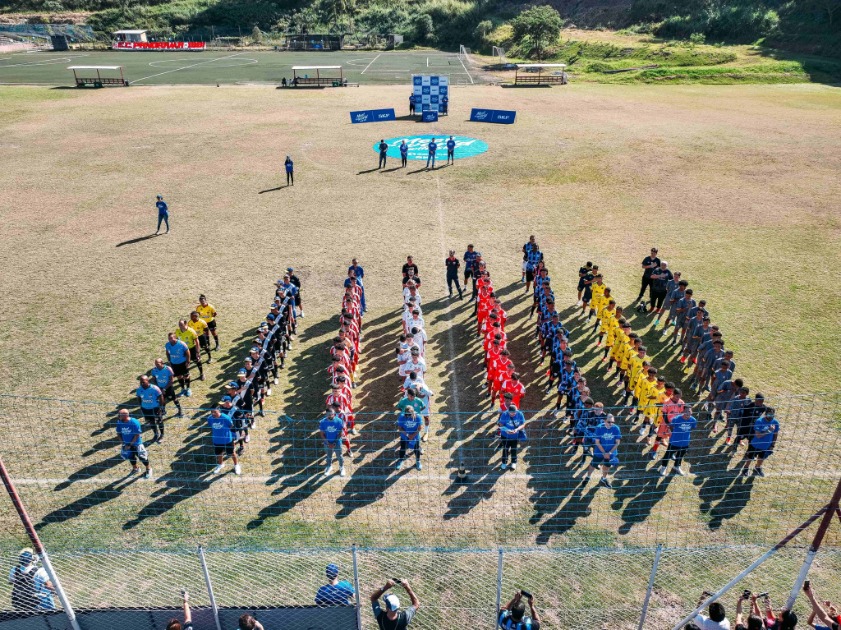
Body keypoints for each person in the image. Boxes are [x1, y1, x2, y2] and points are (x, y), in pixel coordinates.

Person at [740, 406, 779, 478]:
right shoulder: (759, 421)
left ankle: (757, 468)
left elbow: (775, 435)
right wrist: (769, 431)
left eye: (772, 415)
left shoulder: (775, 422)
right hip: (755, 445)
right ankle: (745, 469)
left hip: (766, 446)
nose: (771, 416)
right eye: (769, 414)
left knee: (761, 458)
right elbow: (758, 435)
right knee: (750, 458)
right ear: (765, 414)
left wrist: (772, 445)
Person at [659, 406, 696, 476]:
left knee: (680, 455)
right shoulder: (676, 419)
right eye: (686, 411)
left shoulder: (693, 420)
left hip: (685, 442)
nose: (688, 413)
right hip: (674, 442)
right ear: (683, 412)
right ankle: (664, 467)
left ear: (691, 412)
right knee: (668, 455)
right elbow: (671, 426)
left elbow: (693, 427)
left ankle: (677, 466)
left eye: (689, 411)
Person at [116, 408, 152, 478]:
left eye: (119, 415)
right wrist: (123, 443)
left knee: (142, 457)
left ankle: (148, 468)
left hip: (136, 444)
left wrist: (130, 444)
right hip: (126, 444)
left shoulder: (134, 422)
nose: (118, 416)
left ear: (125, 416)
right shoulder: (119, 422)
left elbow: (137, 435)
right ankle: (136, 468)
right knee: (131, 457)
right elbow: (118, 433)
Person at [587, 413, 620, 488]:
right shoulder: (599, 427)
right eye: (609, 422)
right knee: (593, 464)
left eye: (612, 422)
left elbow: (617, 442)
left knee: (607, 466)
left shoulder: (616, 428)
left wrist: (609, 453)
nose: (611, 424)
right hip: (599, 452)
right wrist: (604, 453)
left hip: (611, 453)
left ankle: (604, 479)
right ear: (604, 421)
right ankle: (588, 477)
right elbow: (597, 442)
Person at [207, 406, 241, 475]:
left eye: (215, 412)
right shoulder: (209, 418)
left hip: (227, 440)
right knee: (219, 453)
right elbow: (211, 426)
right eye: (212, 412)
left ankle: (236, 465)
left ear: (219, 411)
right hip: (217, 440)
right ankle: (220, 464)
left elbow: (231, 426)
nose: (213, 414)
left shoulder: (226, 418)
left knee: (232, 452)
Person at [136, 374, 164, 443]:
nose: (142, 383)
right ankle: (156, 434)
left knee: (159, 421)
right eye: (141, 382)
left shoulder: (154, 388)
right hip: (146, 409)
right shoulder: (139, 389)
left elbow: (161, 397)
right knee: (151, 422)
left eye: (143, 382)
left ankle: (162, 435)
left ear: (147, 381)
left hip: (155, 408)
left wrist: (161, 407)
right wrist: (141, 406)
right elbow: (139, 398)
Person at [320, 406, 346, 478]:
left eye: (331, 414)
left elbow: (340, 433)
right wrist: (328, 443)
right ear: (326, 414)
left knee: (339, 456)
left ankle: (341, 467)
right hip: (327, 443)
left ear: (334, 414)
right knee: (329, 456)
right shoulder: (323, 422)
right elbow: (322, 434)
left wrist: (334, 442)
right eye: (328, 414)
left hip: (337, 442)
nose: (330, 416)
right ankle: (329, 466)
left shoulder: (339, 421)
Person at [498, 404, 525, 471]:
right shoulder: (504, 414)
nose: (512, 414)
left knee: (514, 449)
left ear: (516, 411)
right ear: (508, 411)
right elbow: (501, 424)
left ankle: (513, 462)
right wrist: (506, 430)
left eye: (514, 413)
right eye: (511, 413)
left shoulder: (520, 414)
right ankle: (504, 463)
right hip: (505, 436)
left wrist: (517, 429)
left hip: (515, 436)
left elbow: (523, 424)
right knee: (505, 449)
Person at [165, 331, 192, 397]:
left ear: (175, 337)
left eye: (171, 338)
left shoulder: (181, 344)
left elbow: (187, 352)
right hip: (174, 364)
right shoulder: (167, 345)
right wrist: (169, 361)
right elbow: (167, 353)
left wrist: (188, 361)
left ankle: (188, 388)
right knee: (179, 376)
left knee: (186, 376)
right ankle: (183, 389)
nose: (170, 340)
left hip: (183, 363)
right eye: (169, 338)